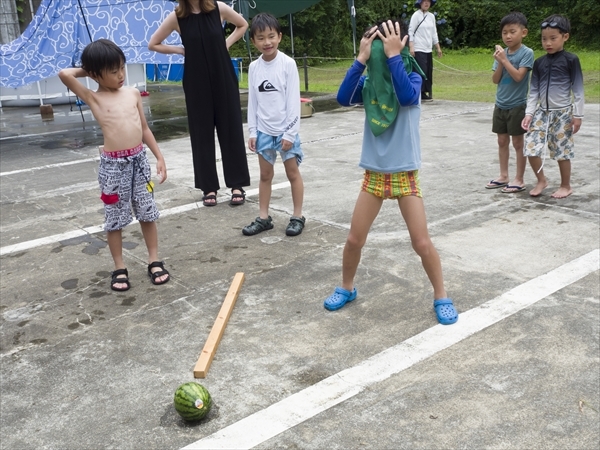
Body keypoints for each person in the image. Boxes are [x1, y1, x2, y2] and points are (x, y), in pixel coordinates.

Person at [322, 19, 458, 325]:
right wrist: (361, 59)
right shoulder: (369, 85)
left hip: (404, 175)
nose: (381, 50)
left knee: (421, 243)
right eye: (377, 44)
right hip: (374, 174)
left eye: (385, 43)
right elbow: (343, 98)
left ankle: (441, 295)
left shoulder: (411, 76)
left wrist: (397, 54)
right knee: (355, 239)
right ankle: (346, 287)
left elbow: (408, 98)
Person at [58, 39, 170, 292]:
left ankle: (154, 259)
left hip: (139, 160)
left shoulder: (131, 93)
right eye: (113, 70)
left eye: (122, 68)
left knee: (147, 211)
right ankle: (119, 267)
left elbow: (143, 128)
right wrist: (92, 68)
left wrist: (159, 156)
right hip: (113, 166)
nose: (120, 75)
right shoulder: (93, 97)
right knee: (115, 218)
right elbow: (64, 74)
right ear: (96, 74)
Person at [148, 0, 250, 207]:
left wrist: (226, 43)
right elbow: (153, 43)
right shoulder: (178, 16)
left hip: (223, 76)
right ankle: (208, 187)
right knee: (201, 133)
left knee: (230, 130)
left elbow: (243, 25)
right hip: (196, 81)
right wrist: (181, 50)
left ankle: (237, 185)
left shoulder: (218, 8)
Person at [242, 13, 305, 237]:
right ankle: (263, 218)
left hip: (286, 131)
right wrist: (252, 131)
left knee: (292, 174)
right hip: (264, 132)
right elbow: (253, 101)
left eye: (271, 36)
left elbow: (293, 101)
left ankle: (297, 216)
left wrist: (290, 133)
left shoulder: (288, 64)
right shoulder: (254, 68)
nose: (266, 42)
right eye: (261, 38)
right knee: (265, 175)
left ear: (279, 36)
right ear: (253, 41)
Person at [521, 15, 584, 199]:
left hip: (563, 113)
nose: (547, 43)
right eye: (544, 39)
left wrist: (578, 115)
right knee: (531, 148)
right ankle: (541, 180)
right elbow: (533, 91)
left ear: (565, 37)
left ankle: (566, 185)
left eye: (553, 38)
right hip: (541, 112)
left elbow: (578, 90)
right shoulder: (539, 63)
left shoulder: (571, 60)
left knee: (562, 152)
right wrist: (529, 113)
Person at [485, 12, 534, 193]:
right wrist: (499, 62)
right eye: (505, 32)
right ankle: (503, 175)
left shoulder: (527, 53)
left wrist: (504, 60)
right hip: (501, 104)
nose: (508, 36)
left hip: (517, 105)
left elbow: (519, 77)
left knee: (518, 143)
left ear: (524, 32)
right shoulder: (502, 54)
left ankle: (519, 179)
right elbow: (495, 80)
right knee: (502, 141)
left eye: (512, 31)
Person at [408, 0, 442, 102]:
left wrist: (438, 48)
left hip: (428, 48)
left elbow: (434, 33)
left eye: (428, 2)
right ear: (420, 3)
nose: (426, 3)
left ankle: (426, 90)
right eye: (424, 1)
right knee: (420, 70)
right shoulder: (416, 15)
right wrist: (411, 46)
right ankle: (420, 92)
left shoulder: (431, 16)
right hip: (418, 48)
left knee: (428, 70)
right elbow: (411, 31)